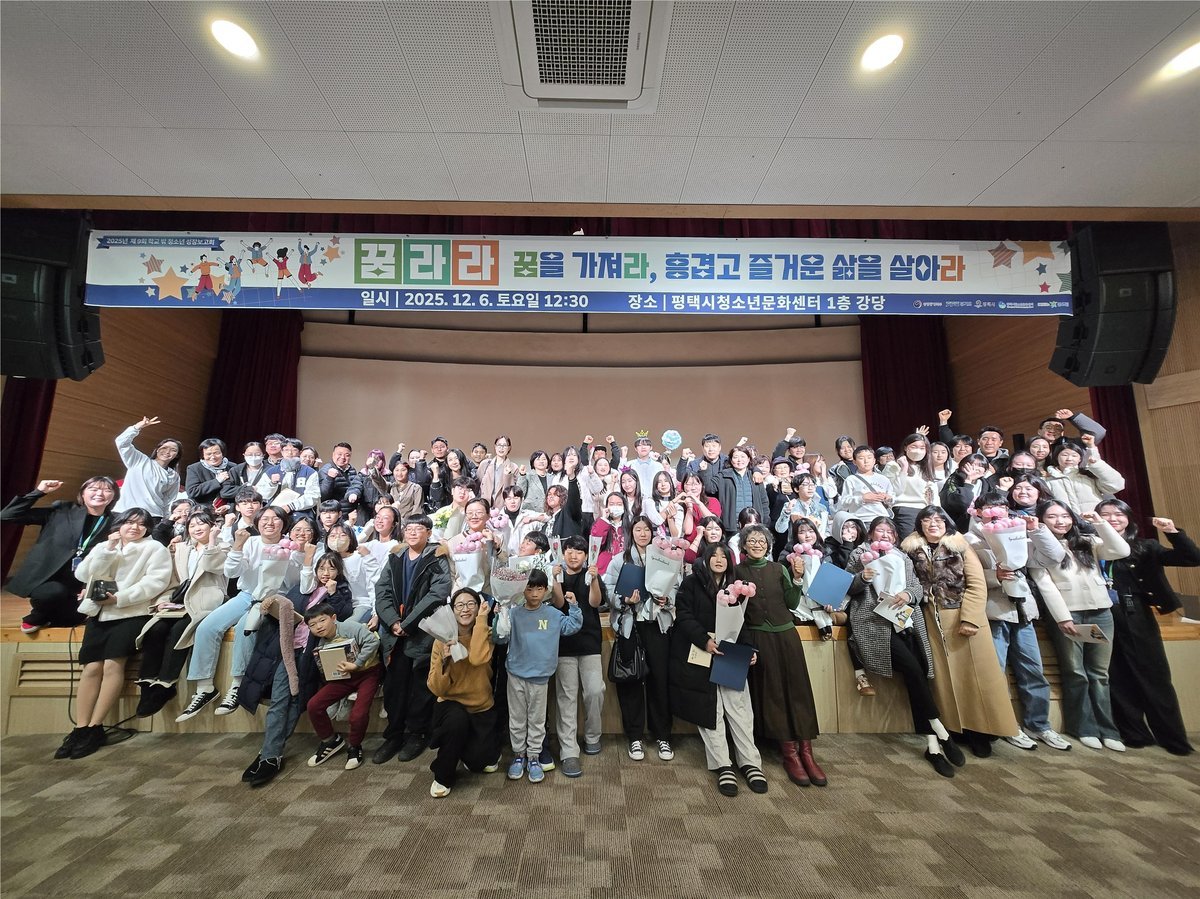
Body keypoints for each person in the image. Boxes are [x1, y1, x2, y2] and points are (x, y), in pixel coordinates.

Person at [845, 517, 962, 777]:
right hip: (875, 622)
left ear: (896, 536)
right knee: (913, 670)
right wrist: (862, 577)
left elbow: (916, 586)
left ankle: (933, 747)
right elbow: (848, 587)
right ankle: (941, 731)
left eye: (889, 531)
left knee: (918, 677)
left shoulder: (902, 556)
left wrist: (908, 595)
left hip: (906, 620)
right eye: (879, 531)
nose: (884, 535)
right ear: (870, 534)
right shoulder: (860, 554)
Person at [902, 505, 1020, 757]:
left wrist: (970, 618)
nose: (933, 524)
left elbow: (977, 584)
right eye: (927, 520)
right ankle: (954, 728)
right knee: (943, 679)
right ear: (920, 525)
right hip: (930, 619)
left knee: (975, 678)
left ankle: (981, 731)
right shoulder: (911, 551)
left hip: (961, 616)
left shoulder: (960, 546)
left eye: (938, 519)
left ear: (946, 523)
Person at [57, 508, 171, 760]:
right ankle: (80, 727)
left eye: (141, 524)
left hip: (132, 613)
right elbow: (82, 574)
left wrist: (119, 598)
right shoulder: (105, 546)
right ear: (120, 524)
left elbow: (155, 582)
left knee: (112, 665)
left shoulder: (154, 548)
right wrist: (107, 550)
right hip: (99, 613)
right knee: (91, 668)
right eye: (129, 522)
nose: (135, 527)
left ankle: (95, 726)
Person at [176, 506, 304, 721]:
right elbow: (232, 572)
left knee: (246, 627)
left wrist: (291, 558)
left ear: (284, 523)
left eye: (276, 519)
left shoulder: (290, 546)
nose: (269, 523)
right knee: (207, 627)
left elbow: (293, 582)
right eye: (264, 519)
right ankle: (204, 687)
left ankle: (237, 685)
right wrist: (237, 546)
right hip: (246, 595)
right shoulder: (250, 542)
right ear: (257, 522)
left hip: (273, 599)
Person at [237, 549, 353, 788]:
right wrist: (272, 604)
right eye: (322, 568)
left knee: (295, 702)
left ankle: (270, 754)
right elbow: (282, 611)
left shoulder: (341, 591)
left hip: (311, 656)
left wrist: (333, 595)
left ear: (339, 572)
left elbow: (342, 617)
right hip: (287, 651)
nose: (326, 573)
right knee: (280, 700)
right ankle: (270, 754)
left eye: (331, 568)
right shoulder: (302, 587)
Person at [966, 493, 1072, 752]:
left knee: (1033, 670)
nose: (996, 511)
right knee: (995, 672)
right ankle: (1004, 724)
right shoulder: (969, 540)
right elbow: (966, 576)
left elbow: (1052, 557)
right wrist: (994, 576)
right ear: (978, 512)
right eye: (989, 507)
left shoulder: (1019, 532)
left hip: (1023, 612)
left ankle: (1039, 724)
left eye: (1001, 506)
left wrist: (1037, 531)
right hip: (994, 613)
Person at [1095, 500, 1196, 755]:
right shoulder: (1091, 547)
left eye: (1118, 514)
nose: (1112, 518)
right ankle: (1134, 733)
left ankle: (1173, 738)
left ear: (1128, 518)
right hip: (1102, 614)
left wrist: (1173, 532)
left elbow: (1192, 558)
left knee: (1153, 675)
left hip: (1135, 613)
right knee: (1117, 676)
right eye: (1105, 514)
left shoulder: (1145, 546)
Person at [1028, 501, 1130, 751]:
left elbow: (1120, 550)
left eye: (1065, 516)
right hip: (1068, 614)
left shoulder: (1087, 541)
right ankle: (1083, 727)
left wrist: (1100, 523)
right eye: (1052, 517)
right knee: (1075, 672)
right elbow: (1044, 584)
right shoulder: (1035, 544)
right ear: (1041, 520)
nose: (1060, 521)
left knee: (1100, 674)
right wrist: (1063, 617)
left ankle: (1108, 730)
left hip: (1101, 611)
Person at [671, 541, 768, 797]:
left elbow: (742, 621)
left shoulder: (737, 586)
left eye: (723, 556)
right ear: (705, 559)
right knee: (710, 710)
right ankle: (723, 764)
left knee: (740, 709)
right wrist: (704, 639)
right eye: (713, 555)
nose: (718, 560)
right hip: (703, 651)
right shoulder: (691, 583)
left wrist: (749, 649)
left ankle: (750, 762)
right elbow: (683, 615)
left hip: (731, 654)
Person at [733, 523, 827, 786]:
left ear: (768, 545)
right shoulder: (737, 571)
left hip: (787, 636)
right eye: (752, 540)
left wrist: (797, 579)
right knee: (773, 692)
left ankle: (807, 752)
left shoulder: (779, 568)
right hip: (759, 637)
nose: (757, 544)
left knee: (798, 690)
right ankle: (789, 754)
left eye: (762, 541)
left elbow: (792, 602)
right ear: (743, 545)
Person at [372, 514, 451, 764]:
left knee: (420, 686)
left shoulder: (437, 558)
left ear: (429, 533)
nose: (413, 532)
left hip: (421, 633)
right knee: (394, 687)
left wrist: (407, 624)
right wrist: (393, 621)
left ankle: (417, 733)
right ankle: (394, 735)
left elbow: (437, 594)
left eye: (419, 528)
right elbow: (382, 591)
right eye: (409, 528)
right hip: (395, 634)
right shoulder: (396, 557)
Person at [134, 509, 228, 718]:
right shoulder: (181, 549)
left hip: (206, 600)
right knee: (156, 629)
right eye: (192, 525)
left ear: (213, 526)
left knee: (179, 630)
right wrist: (162, 601)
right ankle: (147, 683)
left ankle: (166, 684)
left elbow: (214, 567)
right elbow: (172, 581)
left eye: (202, 524)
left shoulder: (223, 547)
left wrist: (212, 541)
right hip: (179, 601)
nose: (196, 528)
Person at [494, 569, 582, 783]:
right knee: (517, 719)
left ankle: (533, 757)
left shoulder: (552, 614)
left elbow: (572, 626)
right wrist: (499, 616)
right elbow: (499, 638)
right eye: (529, 588)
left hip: (540, 677)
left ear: (545, 590)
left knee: (537, 720)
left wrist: (574, 606)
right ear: (522, 590)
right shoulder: (514, 613)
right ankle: (518, 755)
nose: (534, 593)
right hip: (516, 674)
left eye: (539, 589)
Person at [603, 515, 678, 763]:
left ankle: (662, 735)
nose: (643, 534)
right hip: (630, 625)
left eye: (647, 529)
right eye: (638, 529)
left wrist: (667, 599)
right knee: (631, 680)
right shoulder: (619, 560)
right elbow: (608, 590)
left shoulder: (664, 558)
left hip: (657, 625)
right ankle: (634, 736)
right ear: (631, 532)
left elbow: (676, 586)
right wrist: (624, 600)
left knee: (660, 680)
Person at [2, 476, 120, 632]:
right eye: (93, 489)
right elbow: (8, 515)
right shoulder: (62, 510)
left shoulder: (117, 521)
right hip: (49, 578)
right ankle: (38, 615)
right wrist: (39, 492)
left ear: (114, 496)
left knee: (72, 619)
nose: (100, 493)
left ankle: (49, 615)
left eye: (107, 490)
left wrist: (89, 585)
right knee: (53, 594)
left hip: (83, 582)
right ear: (82, 494)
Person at [427, 588, 496, 797]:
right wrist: (444, 660)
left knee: (480, 763)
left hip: (480, 705)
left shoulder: (486, 633)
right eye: (459, 605)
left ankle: (461, 748)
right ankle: (442, 776)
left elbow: (476, 658)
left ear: (478, 607)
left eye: (470, 604)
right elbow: (436, 688)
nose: (465, 609)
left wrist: (482, 619)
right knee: (456, 722)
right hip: (451, 704)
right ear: (452, 610)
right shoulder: (441, 639)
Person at [552, 534, 608, 777]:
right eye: (569, 551)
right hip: (564, 644)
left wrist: (593, 579)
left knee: (595, 691)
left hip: (590, 643)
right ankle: (568, 752)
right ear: (563, 553)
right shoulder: (557, 574)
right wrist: (555, 580)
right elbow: (557, 604)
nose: (573, 556)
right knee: (567, 697)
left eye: (579, 552)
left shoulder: (591, 575)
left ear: (586, 555)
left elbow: (595, 603)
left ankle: (593, 736)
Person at [304, 603, 383, 771]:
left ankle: (354, 746)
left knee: (358, 715)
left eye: (322, 620)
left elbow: (373, 642)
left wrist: (357, 663)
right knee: (314, 705)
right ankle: (330, 741)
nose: (318, 627)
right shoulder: (321, 642)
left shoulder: (349, 627)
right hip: (343, 678)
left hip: (367, 674)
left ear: (333, 618)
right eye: (312, 625)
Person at [112, 416, 182, 521]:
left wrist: (166, 519)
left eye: (173, 450)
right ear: (157, 449)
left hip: (153, 516)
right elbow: (121, 443)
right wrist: (137, 427)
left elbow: (169, 500)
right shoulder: (139, 460)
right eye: (164, 448)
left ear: (177, 455)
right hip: (124, 511)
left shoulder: (174, 475)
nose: (167, 452)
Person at [1043, 437, 1125, 515]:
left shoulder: (1088, 475)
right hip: (1065, 523)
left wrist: (1097, 465)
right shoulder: (1047, 480)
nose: (1069, 458)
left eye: (1074, 455)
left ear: (1080, 459)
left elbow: (1116, 485)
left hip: (1094, 520)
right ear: (1056, 457)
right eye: (1064, 455)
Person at [703, 446, 770, 538]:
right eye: (735, 457)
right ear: (731, 460)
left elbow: (764, 501)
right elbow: (709, 488)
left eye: (743, 457)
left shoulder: (755, 476)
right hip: (732, 526)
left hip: (754, 524)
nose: (739, 460)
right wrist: (704, 471)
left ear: (749, 459)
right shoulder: (723, 475)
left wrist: (765, 521)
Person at [885, 434, 940, 541]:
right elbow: (895, 491)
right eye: (914, 447)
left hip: (926, 511)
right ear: (906, 447)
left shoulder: (926, 468)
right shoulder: (893, 465)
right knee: (909, 544)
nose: (918, 451)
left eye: (922, 448)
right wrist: (904, 469)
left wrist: (937, 512)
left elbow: (934, 494)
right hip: (905, 510)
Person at [837, 445, 892, 525]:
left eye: (869, 458)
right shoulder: (851, 479)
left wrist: (888, 498)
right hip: (862, 520)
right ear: (854, 462)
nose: (866, 461)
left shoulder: (884, 479)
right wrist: (862, 498)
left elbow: (892, 498)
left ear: (874, 460)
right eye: (861, 458)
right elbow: (844, 503)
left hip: (883, 519)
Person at [185, 438, 235, 507]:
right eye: (208, 454)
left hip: (227, 508)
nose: (213, 457)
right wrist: (217, 481)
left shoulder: (233, 467)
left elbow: (236, 490)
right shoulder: (194, 468)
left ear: (222, 453)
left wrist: (228, 506)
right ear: (203, 455)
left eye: (216, 453)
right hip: (201, 508)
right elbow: (192, 491)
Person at [319, 442, 362, 517]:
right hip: (335, 514)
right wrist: (330, 478)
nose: (343, 457)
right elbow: (324, 496)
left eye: (347, 455)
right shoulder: (325, 470)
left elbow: (356, 486)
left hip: (351, 512)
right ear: (333, 455)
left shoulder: (352, 469)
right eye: (339, 454)